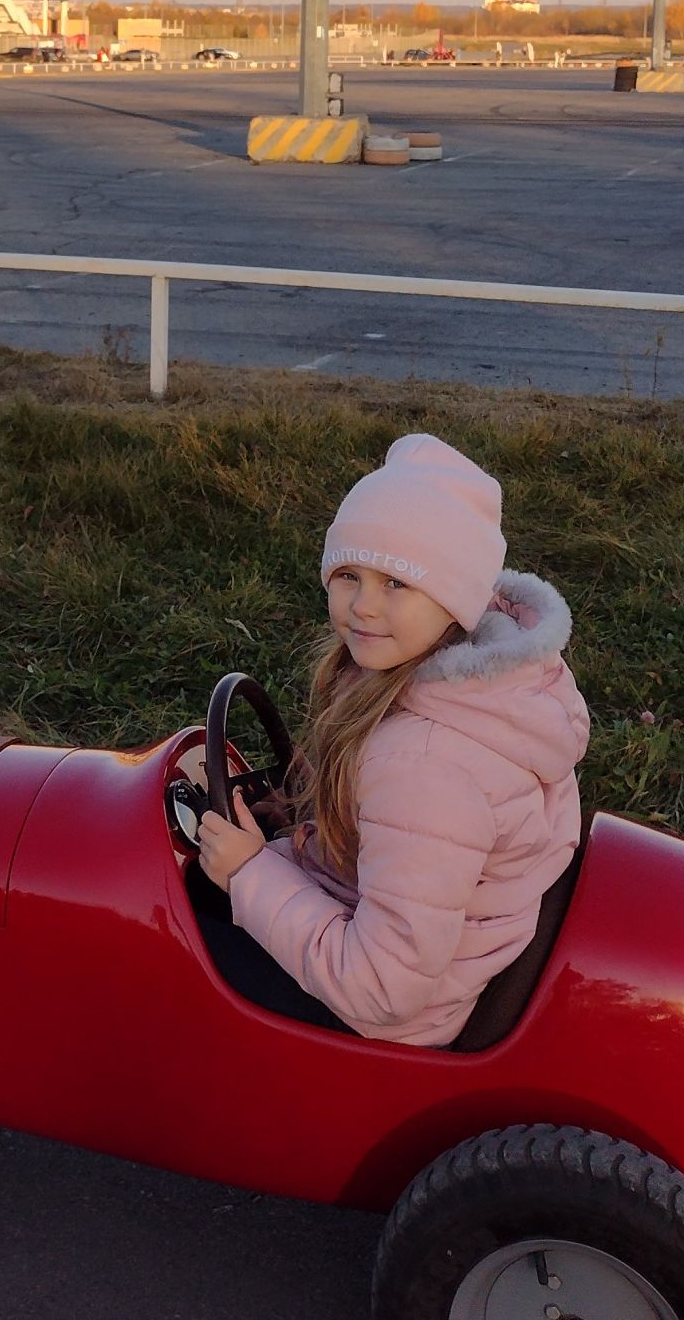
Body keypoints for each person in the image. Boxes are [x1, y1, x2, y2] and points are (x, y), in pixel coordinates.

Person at [195, 433, 589, 1046]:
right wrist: (312, 812)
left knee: (174, 936)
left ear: (456, 598)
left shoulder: (423, 768)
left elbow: (382, 989)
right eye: (348, 574)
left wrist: (248, 875)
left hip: (391, 1012)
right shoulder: (492, 687)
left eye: (397, 583)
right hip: (418, 935)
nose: (363, 607)